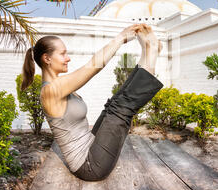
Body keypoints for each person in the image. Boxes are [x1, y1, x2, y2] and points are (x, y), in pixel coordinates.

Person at [21, 23, 163, 181]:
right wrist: (121, 38)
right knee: (121, 109)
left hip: (91, 145)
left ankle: (147, 52)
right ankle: (152, 53)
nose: (68, 58)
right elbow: (93, 65)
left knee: (113, 106)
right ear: (47, 58)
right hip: (89, 166)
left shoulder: (61, 85)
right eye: (63, 54)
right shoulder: (50, 91)